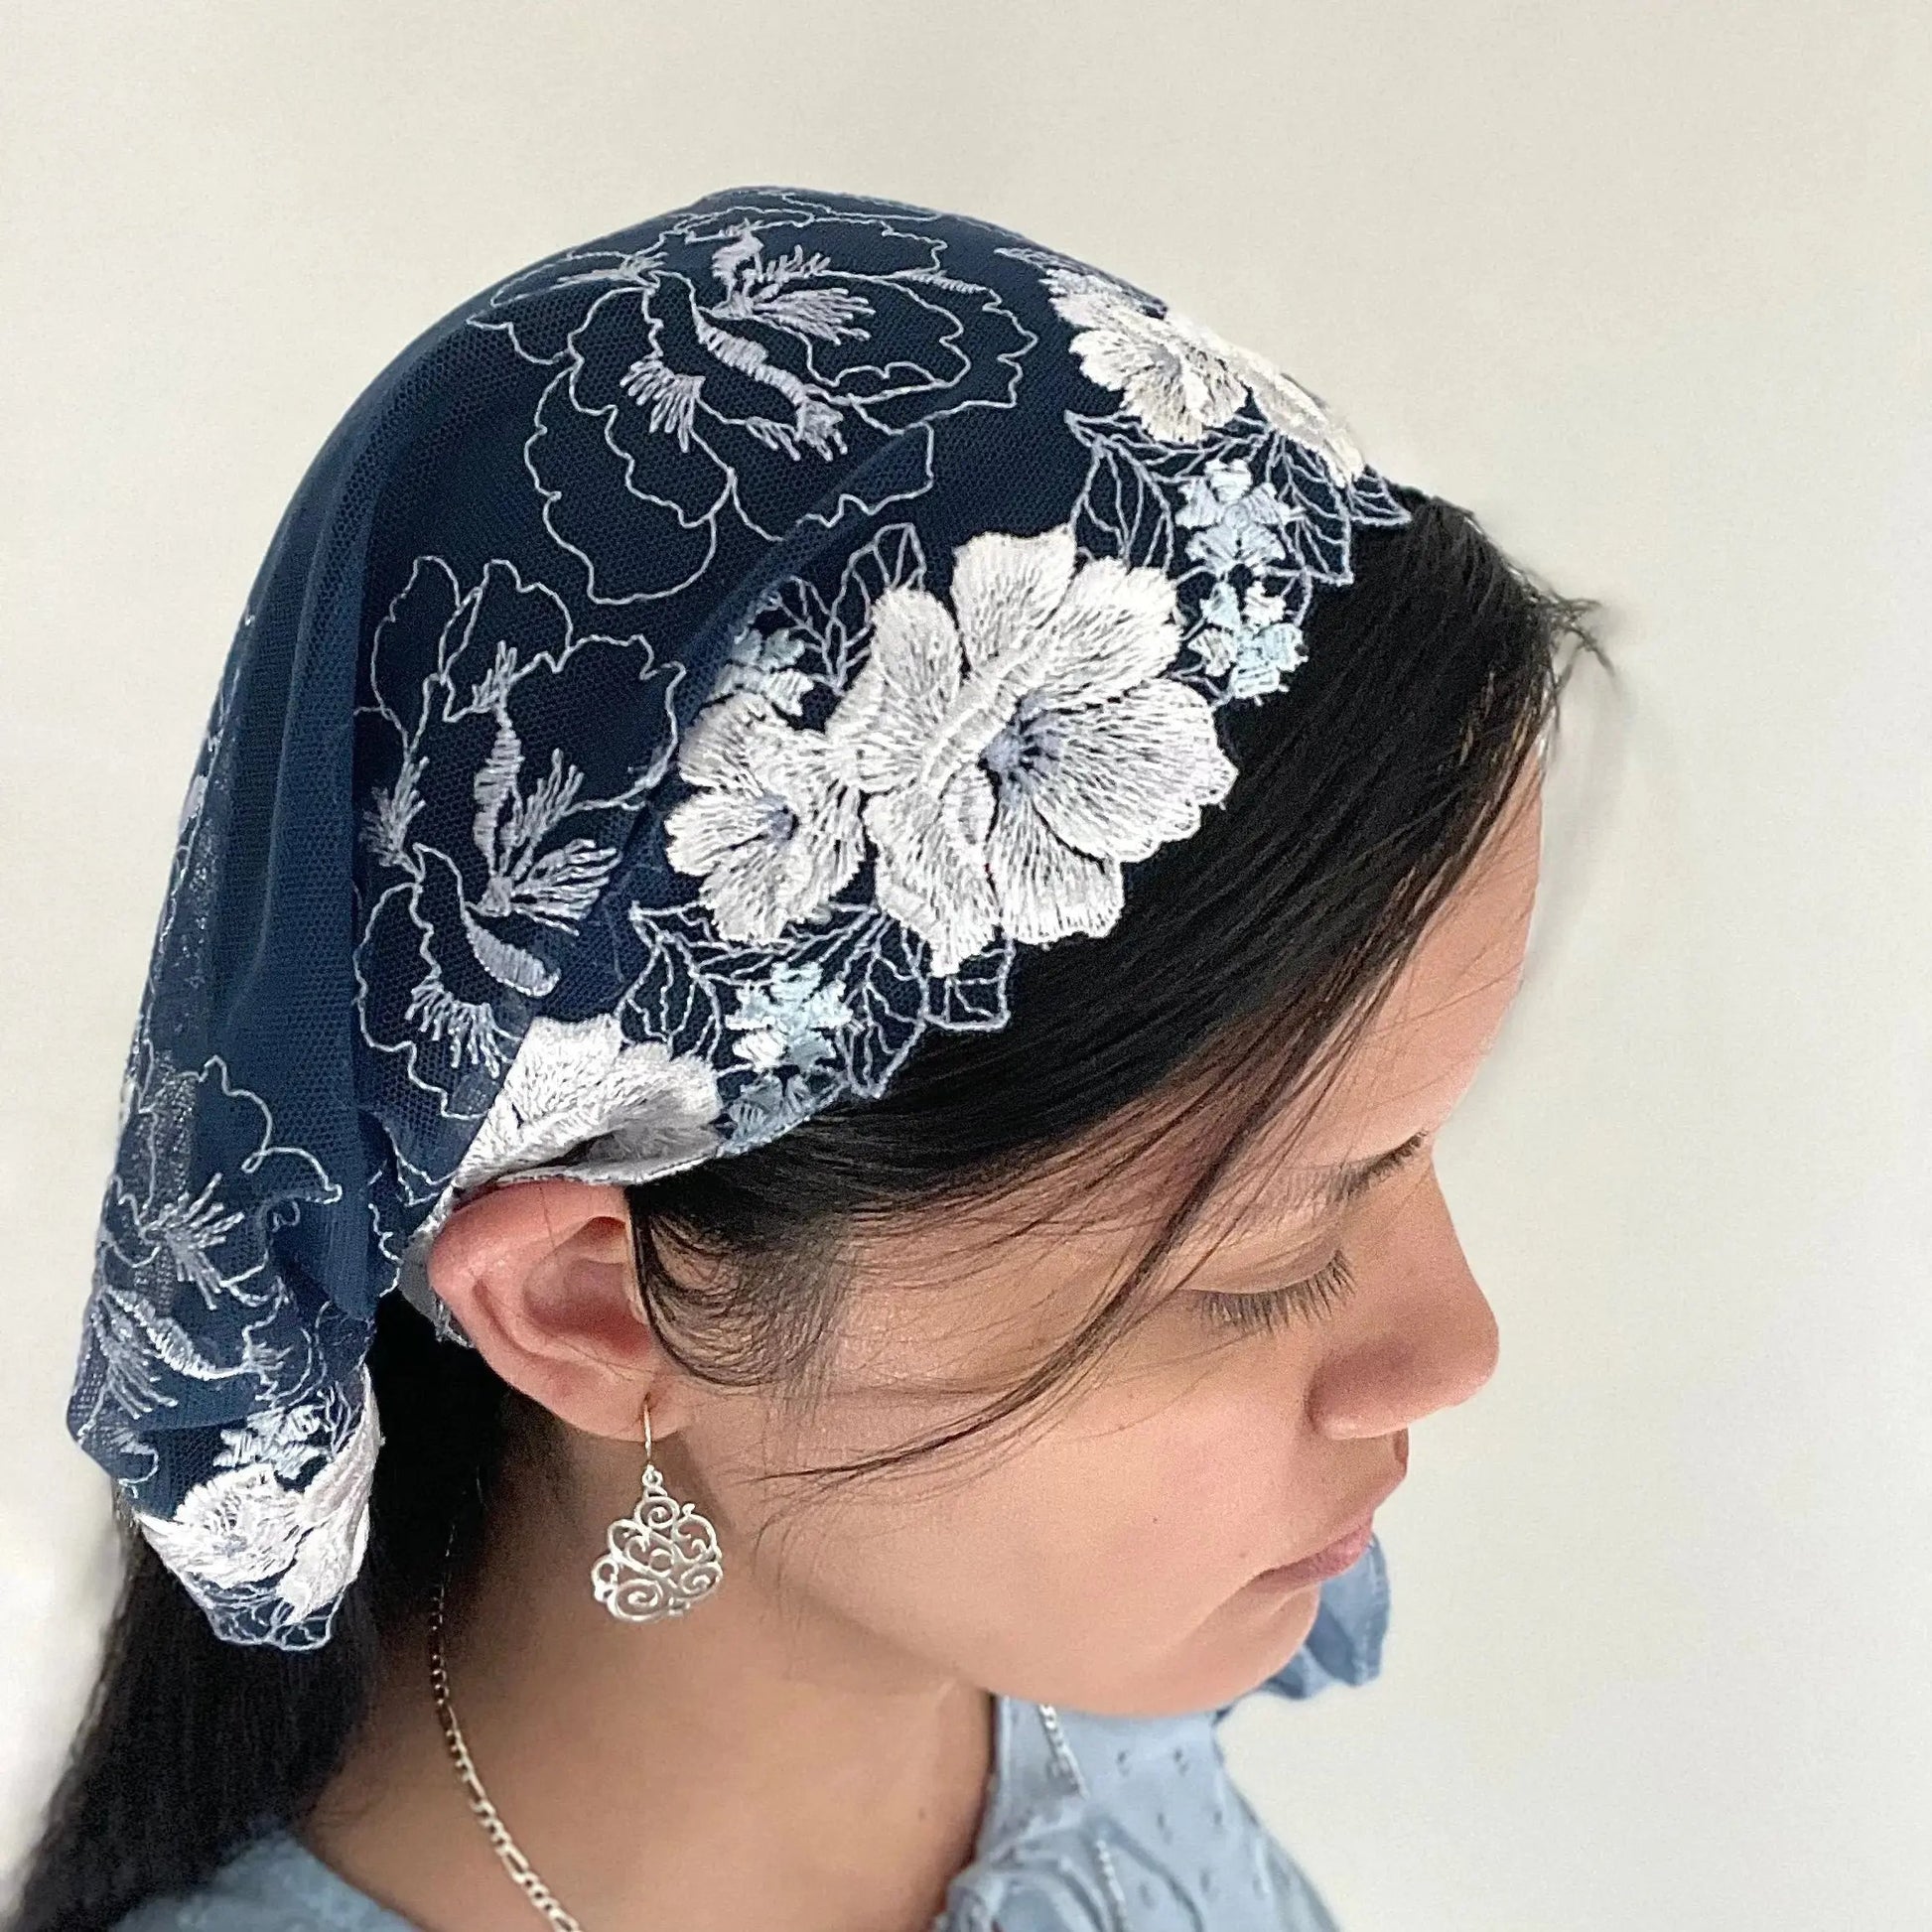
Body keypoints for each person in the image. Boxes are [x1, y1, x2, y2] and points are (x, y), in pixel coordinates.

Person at [9, 186, 1597, 1932]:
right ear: (594, 1307)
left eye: (1415, 1149)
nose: (1455, 1347)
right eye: (1262, 1260)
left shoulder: (1075, 1686)